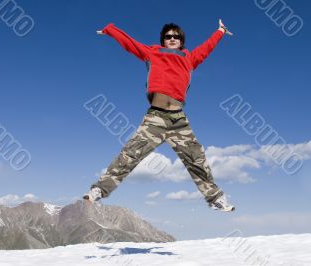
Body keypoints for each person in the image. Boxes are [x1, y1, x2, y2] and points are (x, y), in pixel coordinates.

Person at [83, 19, 235, 212]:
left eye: (176, 36)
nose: (172, 39)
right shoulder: (153, 53)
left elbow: (207, 47)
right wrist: (110, 30)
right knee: (131, 153)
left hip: (178, 119)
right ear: (163, 40)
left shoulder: (190, 59)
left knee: (197, 159)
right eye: (168, 36)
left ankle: (215, 198)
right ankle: (99, 190)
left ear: (181, 40)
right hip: (156, 118)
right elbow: (131, 43)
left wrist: (220, 31)